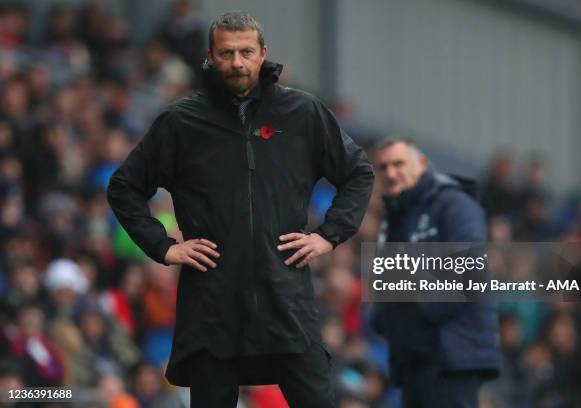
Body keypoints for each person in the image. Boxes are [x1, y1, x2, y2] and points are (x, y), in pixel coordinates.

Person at [107, 11, 374, 407]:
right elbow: (124, 187)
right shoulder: (182, 122)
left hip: (285, 297)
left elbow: (358, 173)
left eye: (246, 52)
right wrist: (163, 247)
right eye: (227, 53)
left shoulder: (302, 113)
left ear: (263, 53)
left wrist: (327, 235)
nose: (237, 62)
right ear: (211, 56)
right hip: (211, 303)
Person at [372, 138, 499, 408]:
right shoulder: (395, 217)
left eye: (398, 164)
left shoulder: (453, 204)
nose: (390, 173)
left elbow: (470, 269)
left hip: (450, 356)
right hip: (414, 360)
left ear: (422, 164)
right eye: (383, 167)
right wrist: (385, 318)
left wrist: (423, 311)